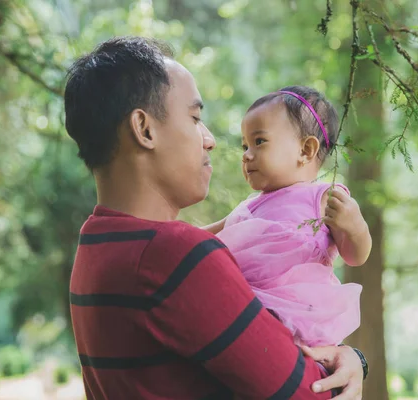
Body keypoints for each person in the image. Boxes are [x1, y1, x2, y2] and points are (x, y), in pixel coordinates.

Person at [65, 36, 365, 399]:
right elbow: (308, 394)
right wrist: (352, 362)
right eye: (194, 118)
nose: (209, 140)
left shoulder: (98, 240)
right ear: (145, 129)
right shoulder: (175, 256)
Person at [204, 86, 371, 348]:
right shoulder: (249, 207)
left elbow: (355, 256)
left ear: (306, 150)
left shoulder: (324, 198)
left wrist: (355, 228)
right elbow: (205, 236)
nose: (247, 155)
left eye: (259, 142)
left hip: (296, 316)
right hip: (244, 307)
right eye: (245, 145)